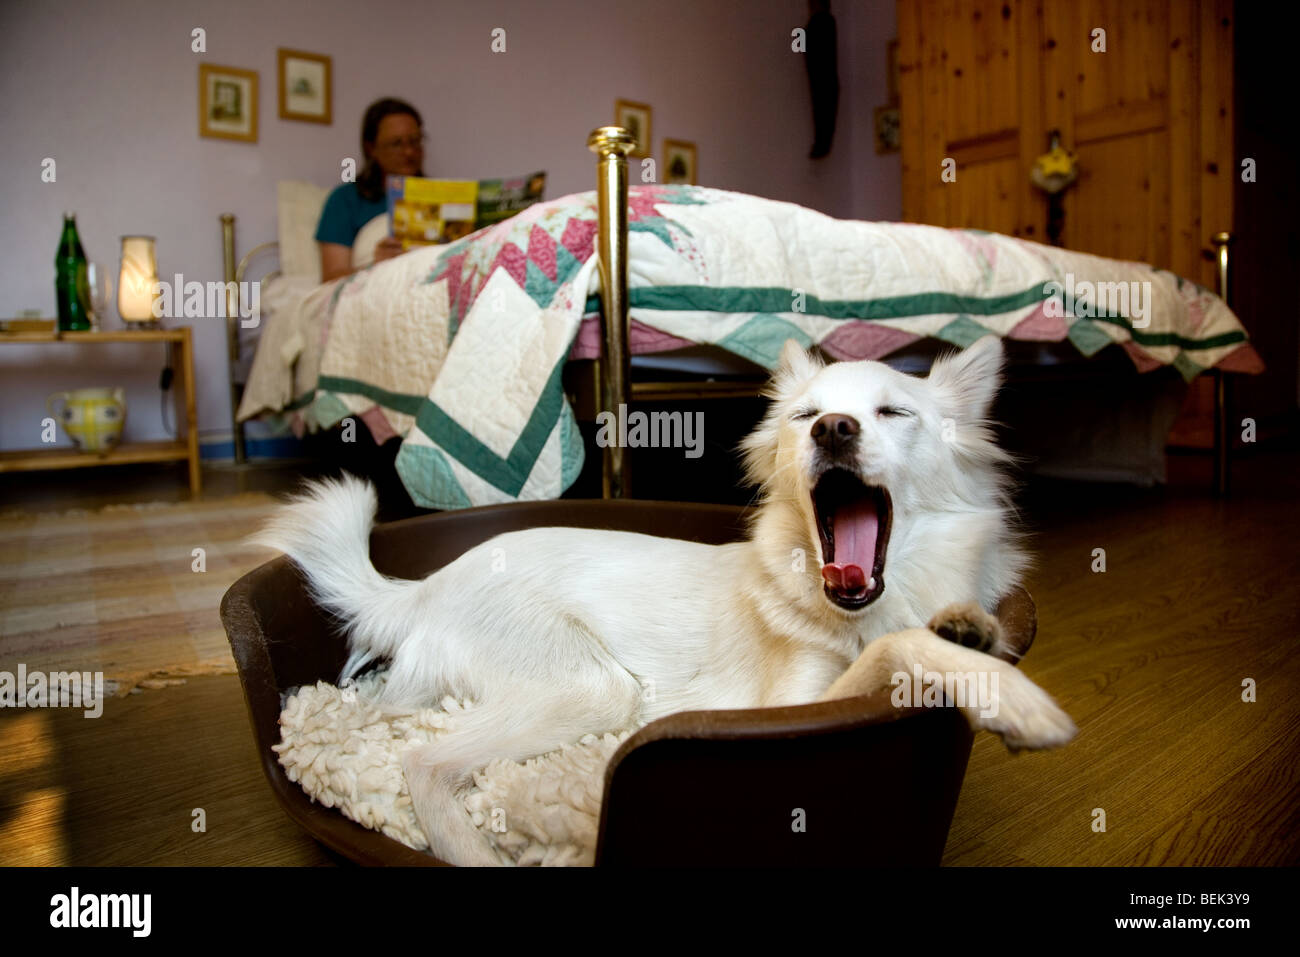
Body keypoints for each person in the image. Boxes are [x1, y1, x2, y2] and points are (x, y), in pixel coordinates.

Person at [316, 98, 426, 282]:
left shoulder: (439, 197)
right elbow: (331, 279)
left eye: (415, 141)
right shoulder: (345, 200)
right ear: (371, 148)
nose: (409, 152)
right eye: (396, 143)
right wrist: (375, 265)